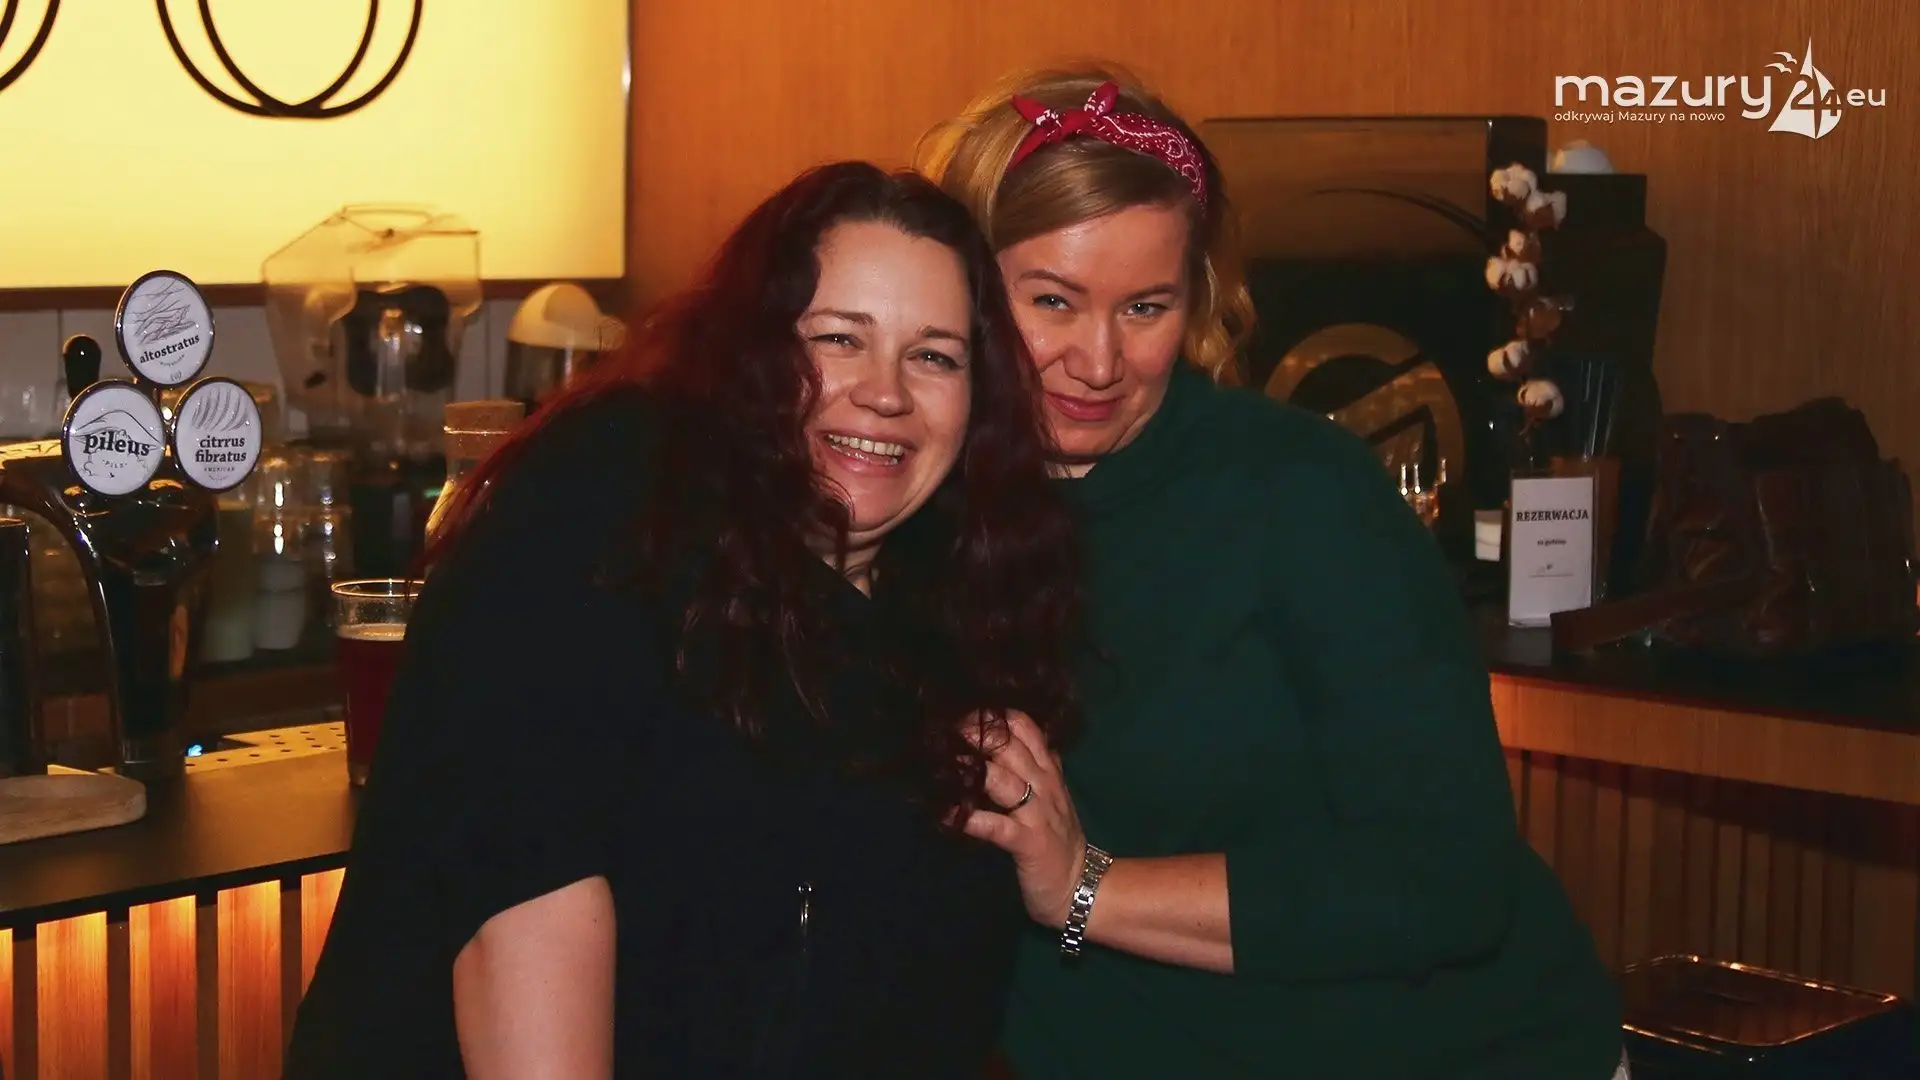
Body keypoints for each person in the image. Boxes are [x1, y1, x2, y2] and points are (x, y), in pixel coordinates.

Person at [283, 161, 1085, 1079]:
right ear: (749, 354)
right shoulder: (609, 499)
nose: (886, 391)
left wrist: (1073, 880)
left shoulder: (954, 612)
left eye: (934, 355)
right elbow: (522, 893)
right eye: (838, 338)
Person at [917, 65, 1627, 1079]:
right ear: (965, 288)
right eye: (1053, 301)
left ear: (1199, 299)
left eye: (1146, 307)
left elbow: (1452, 881)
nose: (1099, 360)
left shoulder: (1303, 492)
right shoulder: (918, 502)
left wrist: (1086, 889)